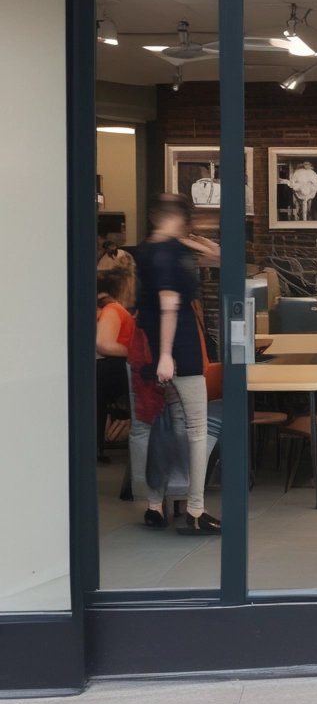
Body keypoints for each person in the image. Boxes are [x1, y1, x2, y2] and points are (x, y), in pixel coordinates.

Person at [128, 193, 221, 535]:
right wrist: (168, 355)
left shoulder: (150, 249)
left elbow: (217, 257)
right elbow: (169, 305)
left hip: (153, 350)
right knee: (197, 430)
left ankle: (155, 505)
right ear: (183, 219)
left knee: (163, 424)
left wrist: (189, 239)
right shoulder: (170, 254)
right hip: (178, 351)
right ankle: (195, 510)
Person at [95, 267, 135, 464]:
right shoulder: (114, 310)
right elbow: (104, 343)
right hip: (113, 369)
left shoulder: (108, 309)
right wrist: (135, 352)